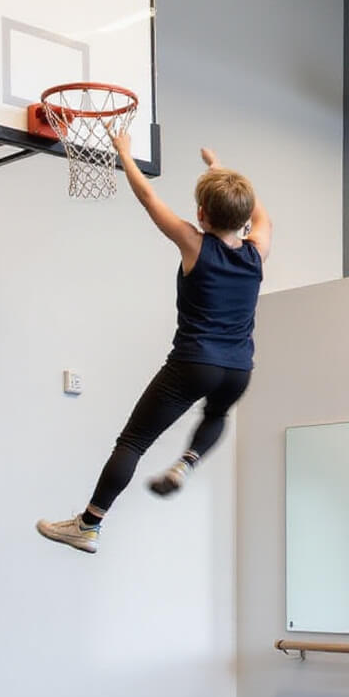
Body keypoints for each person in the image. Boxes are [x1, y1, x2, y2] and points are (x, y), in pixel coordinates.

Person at [37, 138, 272, 553]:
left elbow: (147, 197)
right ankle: (187, 462)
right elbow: (259, 212)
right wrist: (221, 169)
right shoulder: (258, 252)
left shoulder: (194, 243)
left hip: (193, 362)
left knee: (133, 443)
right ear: (245, 217)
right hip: (239, 369)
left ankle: (88, 524)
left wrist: (124, 152)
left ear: (201, 214)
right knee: (217, 413)